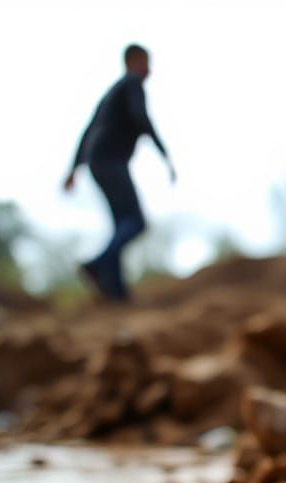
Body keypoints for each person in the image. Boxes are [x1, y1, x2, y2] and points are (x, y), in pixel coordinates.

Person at [63, 44, 175, 301]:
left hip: (97, 161)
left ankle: (116, 292)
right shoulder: (132, 84)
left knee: (121, 225)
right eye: (147, 62)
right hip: (110, 161)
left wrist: (74, 169)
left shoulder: (111, 93)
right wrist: (164, 154)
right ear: (134, 61)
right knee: (135, 222)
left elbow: (88, 131)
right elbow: (141, 117)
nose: (150, 69)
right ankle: (97, 264)